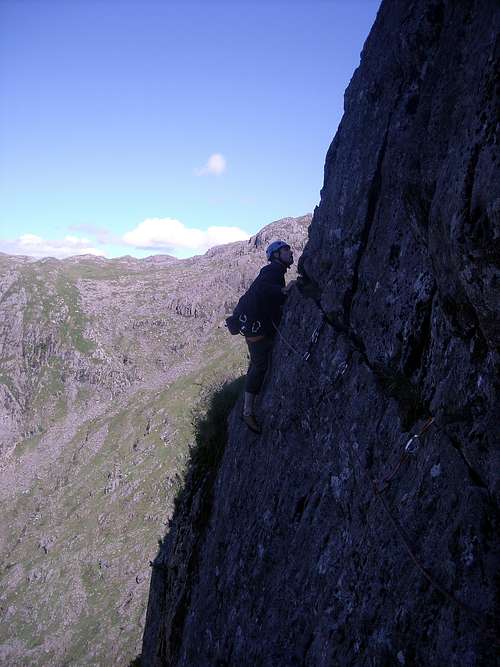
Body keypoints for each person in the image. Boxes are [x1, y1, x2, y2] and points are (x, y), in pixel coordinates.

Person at [229, 240, 294, 433]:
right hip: (256, 331)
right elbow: (263, 289)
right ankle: (248, 412)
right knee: (260, 366)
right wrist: (282, 291)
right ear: (276, 255)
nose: (290, 252)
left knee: (257, 362)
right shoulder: (272, 270)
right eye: (285, 250)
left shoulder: (276, 270)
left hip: (255, 327)